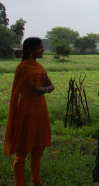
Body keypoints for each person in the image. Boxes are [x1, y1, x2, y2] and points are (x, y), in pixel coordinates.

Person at [4, 37, 54, 186]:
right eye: (39, 47)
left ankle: (36, 181)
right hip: (27, 112)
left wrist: (44, 89)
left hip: (41, 111)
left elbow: (50, 86)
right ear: (30, 50)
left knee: (38, 149)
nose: (43, 49)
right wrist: (37, 89)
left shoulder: (39, 67)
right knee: (22, 151)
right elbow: (25, 90)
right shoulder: (23, 67)